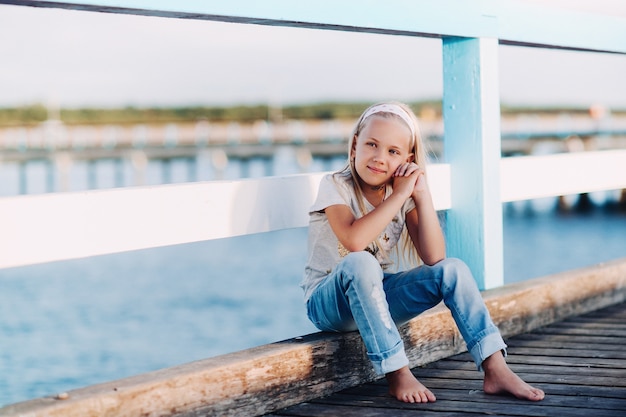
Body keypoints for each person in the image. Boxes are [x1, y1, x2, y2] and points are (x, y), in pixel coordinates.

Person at [301, 101, 545, 403]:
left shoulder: (401, 195)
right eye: (372, 145)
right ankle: (397, 371)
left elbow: (435, 258)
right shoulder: (335, 185)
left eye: (393, 152)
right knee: (361, 262)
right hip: (328, 303)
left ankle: (495, 366)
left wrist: (419, 193)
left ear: (408, 159)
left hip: (378, 298)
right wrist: (401, 194)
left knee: (453, 270)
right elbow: (354, 240)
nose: (379, 158)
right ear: (354, 146)